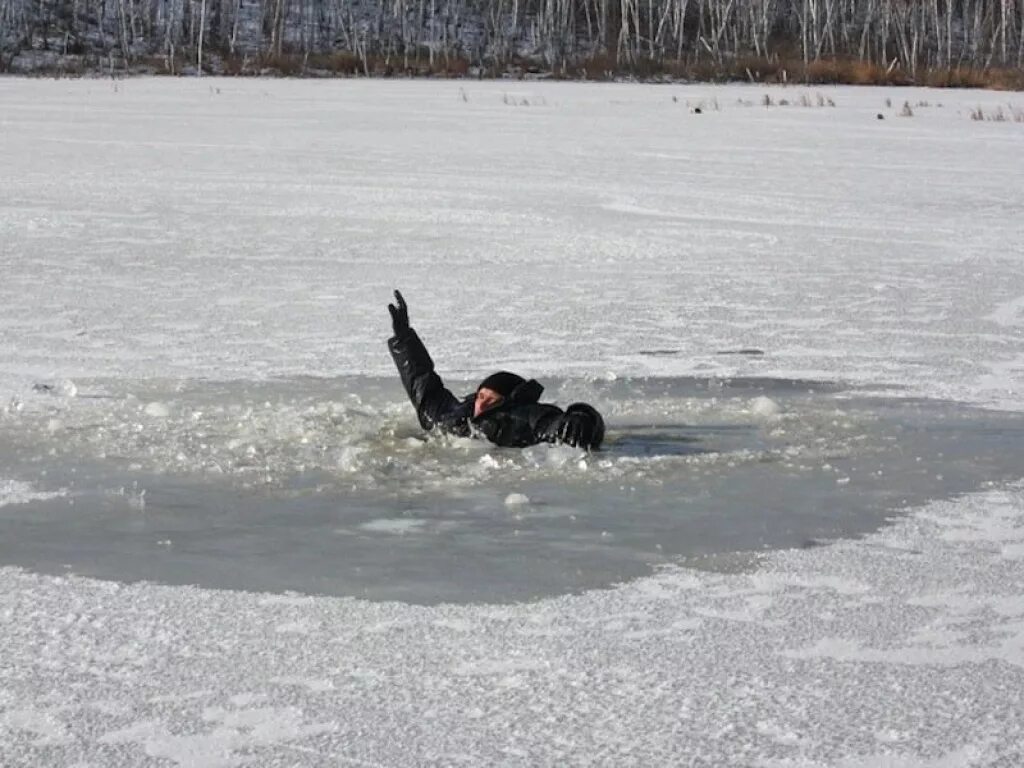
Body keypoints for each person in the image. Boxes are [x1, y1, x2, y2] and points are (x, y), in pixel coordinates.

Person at [387, 290, 604, 450]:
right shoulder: (455, 414)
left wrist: (581, 417)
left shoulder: (525, 416)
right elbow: (424, 383)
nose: (482, 403)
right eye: (482, 396)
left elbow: (555, 422)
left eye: (492, 399)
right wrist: (404, 338)